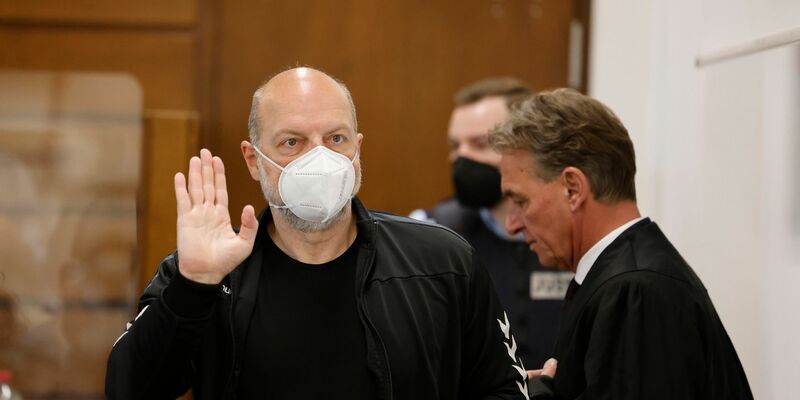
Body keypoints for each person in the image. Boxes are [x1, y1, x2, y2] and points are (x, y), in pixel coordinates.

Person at [105, 67, 530, 400]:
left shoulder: (442, 263)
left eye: (335, 138)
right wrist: (193, 287)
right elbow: (129, 390)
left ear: (358, 149)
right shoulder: (213, 273)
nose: (320, 158)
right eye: (292, 142)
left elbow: (502, 390)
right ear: (254, 161)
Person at [490, 88, 754, 399]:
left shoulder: (635, 290)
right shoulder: (626, 278)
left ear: (572, 189)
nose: (512, 224)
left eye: (520, 201)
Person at [410, 77, 571, 369]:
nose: (462, 157)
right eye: (455, 145)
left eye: (480, 143)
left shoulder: (576, 234)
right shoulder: (428, 232)